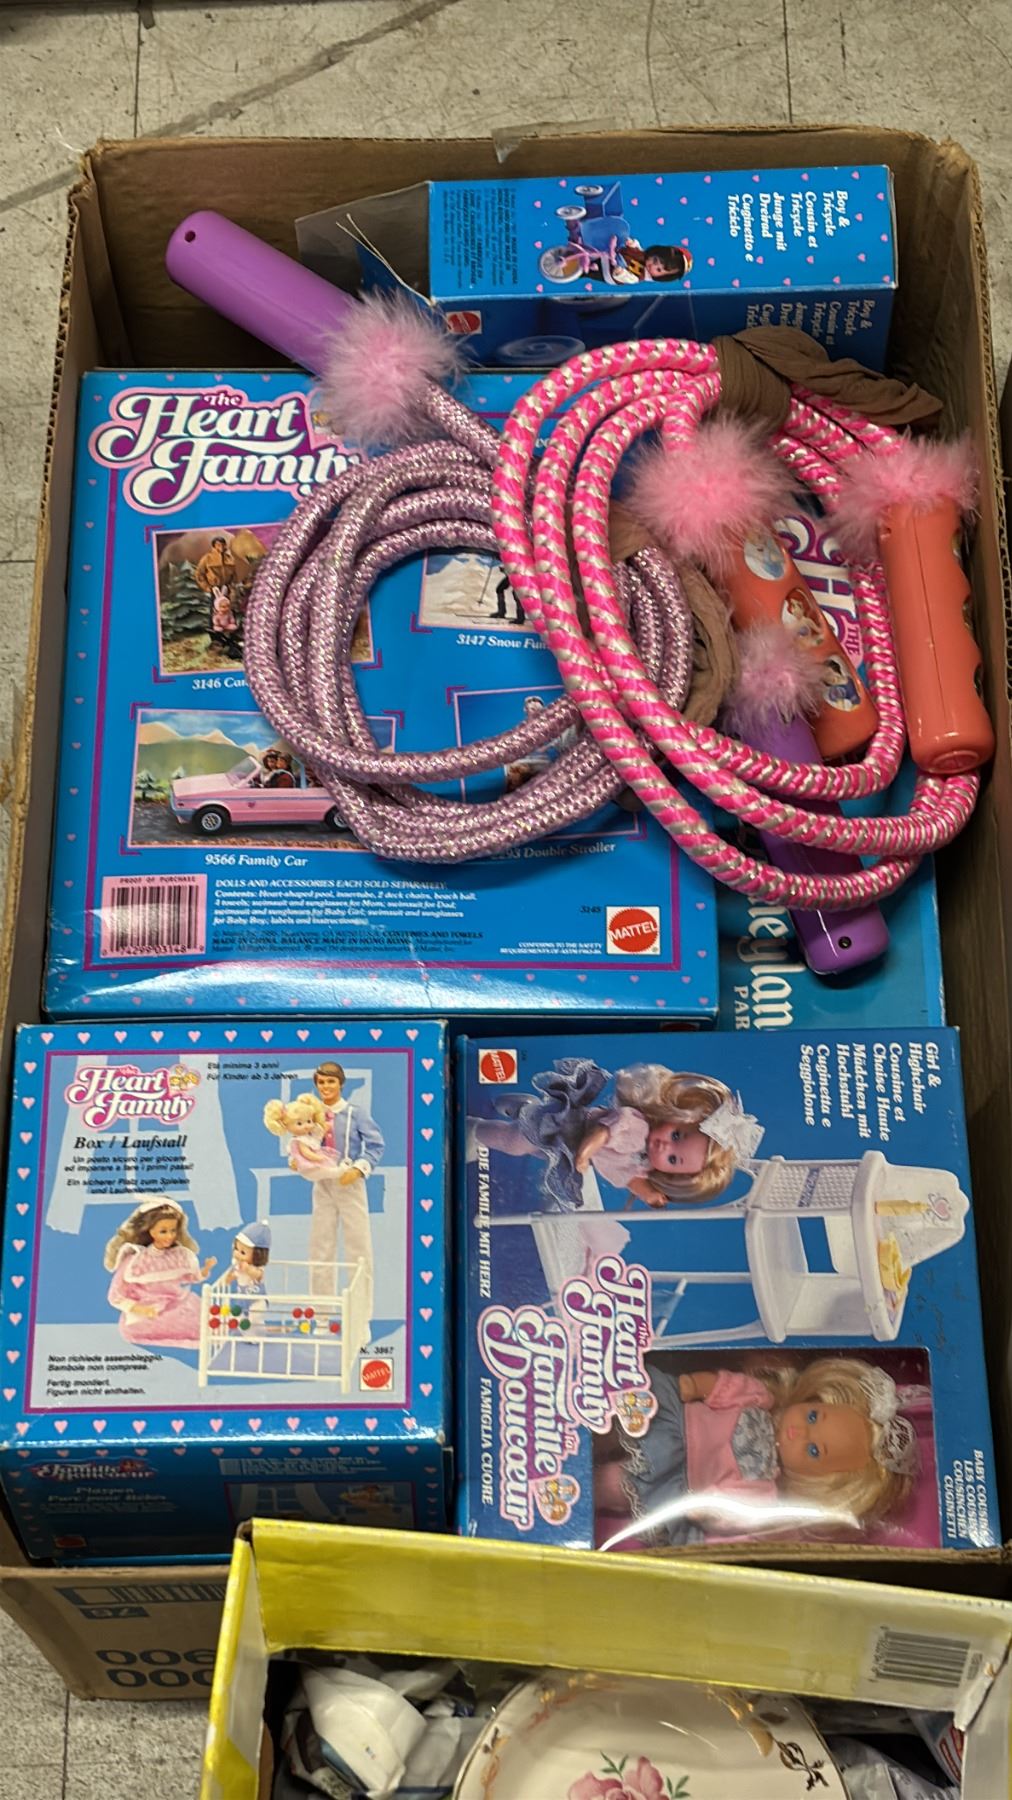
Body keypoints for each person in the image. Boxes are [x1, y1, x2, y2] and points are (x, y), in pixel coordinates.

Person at [594, 1355, 919, 1549]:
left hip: (676, 1476)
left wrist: (704, 1508)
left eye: (813, 1450)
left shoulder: (765, 1491)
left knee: (615, 1484)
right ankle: (583, 1434)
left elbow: (728, 1510)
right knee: (613, 1421)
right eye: (812, 1416)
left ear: (816, 1482)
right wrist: (693, 1385)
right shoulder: (760, 1397)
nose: (800, 1432)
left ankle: (585, 1488)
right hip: (671, 1419)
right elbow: (722, 1386)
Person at [469, 1060, 761, 1210]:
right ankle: (477, 1130)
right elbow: (604, 1132)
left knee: (538, 1148)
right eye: (676, 1135)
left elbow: (629, 1178)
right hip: (568, 1130)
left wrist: (649, 1194)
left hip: (566, 1149)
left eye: (673, 1159)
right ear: (677, 1118)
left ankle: (523, 1108)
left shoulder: (642, 1164)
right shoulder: (638, 1126)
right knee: (518, 1142)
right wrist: (585, 1152)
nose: (664, 1146)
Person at [306, 1063, 384, 1318]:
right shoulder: (312, 1113)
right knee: (320, 1247)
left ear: (340, 1083)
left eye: (330, 1081)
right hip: (322, 1182)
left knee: (358, 1247)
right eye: (321, 1082)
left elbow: (375, 1145)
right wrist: (299, 1159)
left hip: (349, 1182)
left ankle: (361, 1316)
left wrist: (359, 1169)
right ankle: (321, 1315)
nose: (325, 1087)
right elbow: (303, 1142)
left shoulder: (355, 1113)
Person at [104, 1196, 215, 1347]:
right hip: (148, 1313)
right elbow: (115, 1295)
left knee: (208, 1317)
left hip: (176, 1302)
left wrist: (205, 1269)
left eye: (173, 1230)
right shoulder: (135, 1260)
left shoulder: (175, 1255)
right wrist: (140, 1309)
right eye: (163, 1231)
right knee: (196, 1326)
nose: (170, 1236)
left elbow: (186, 1276)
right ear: (150, 1231)